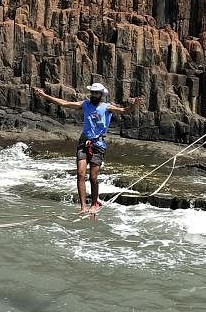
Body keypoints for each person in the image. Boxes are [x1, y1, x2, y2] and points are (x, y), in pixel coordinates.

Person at [33, 81, 142, 214]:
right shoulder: (85, 104)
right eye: (92, 92)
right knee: (80, 174)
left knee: (93, 177)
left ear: (101, 94)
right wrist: (44, 95)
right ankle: (83, 206)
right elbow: (63, 103)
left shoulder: (107, 107)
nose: (93, 95)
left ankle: (95, 202)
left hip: (99, 144)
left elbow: (125, 111)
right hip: (84, 142)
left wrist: (134, 105)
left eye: (96, 93)